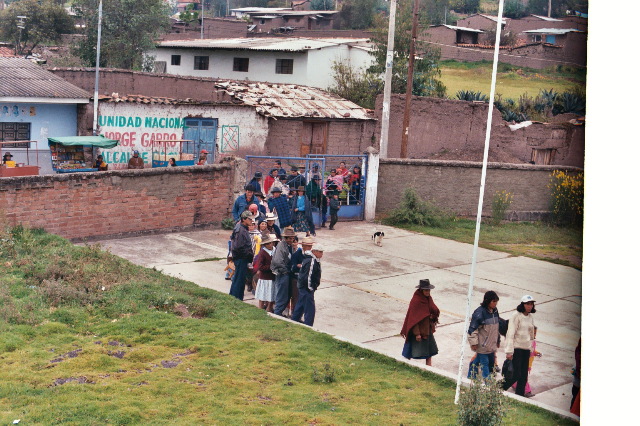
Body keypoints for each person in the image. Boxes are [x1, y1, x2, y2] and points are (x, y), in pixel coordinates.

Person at [502, 295, 537, 397]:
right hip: (517, 349)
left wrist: (531, 348)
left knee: (523, 376)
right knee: (515, 374)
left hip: (526, 350)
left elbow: (531, 335)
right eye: (527, 304)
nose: (529, 306)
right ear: (522, 304)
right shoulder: (516, 316)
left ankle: (519, 396)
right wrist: (509, 351)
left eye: (531, 304)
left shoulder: (530, 318)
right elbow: (510, 334)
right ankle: (497, 388)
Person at [401, 279, 440, 366]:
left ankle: (429, 367)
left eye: (429, 290)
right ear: (421, 290)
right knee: (409, 350)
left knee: (429, 351)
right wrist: (417, 333)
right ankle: (404, 364)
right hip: (417, 330)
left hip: (427, 329)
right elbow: (413, 319)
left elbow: (434, 310)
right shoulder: (416, 300)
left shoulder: (428, 298)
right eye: (426, 290)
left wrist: (432, 317)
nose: (428, 292)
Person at [467, 291, 501, 379]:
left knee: (479, 361)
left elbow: (496, 328)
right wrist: (474, 343)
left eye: (496, 301)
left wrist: (498, 340)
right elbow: (472, 329)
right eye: (493, 301)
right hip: (482, 345)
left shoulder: (495, 312)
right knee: (485, 366)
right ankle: (488, 385)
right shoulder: (480, 313)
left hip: (491, 346)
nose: (495, 303)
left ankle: (471, 376)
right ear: (487, 301)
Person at [291, 243, 324, 326]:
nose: (322, 254)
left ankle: (294, 320)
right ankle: (308, 325)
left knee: (300, 306)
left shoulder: (311, 259)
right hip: (306, 288)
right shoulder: (312, 261)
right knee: (310, 309)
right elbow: (308, 276)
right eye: (320, 252)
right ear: (315, 252)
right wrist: (310, 288)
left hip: (303, 287)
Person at [229, 210, 255, 300]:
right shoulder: (241, 230)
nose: (251, 221)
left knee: (238, 279)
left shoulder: (242, 228)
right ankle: (236, 299)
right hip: (241, 259)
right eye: (249, 219)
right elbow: (238, 247)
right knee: (239, 280)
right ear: (244, 219)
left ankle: (234, 297)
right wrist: (248, 256)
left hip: (241, 258)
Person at [270, 226, 296, 317]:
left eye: (292, 238)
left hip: (287, 273)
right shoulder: (281, 245)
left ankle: (279, 312)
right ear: (285, 238)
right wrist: (285, 270)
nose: (291, 240)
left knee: (287, 295)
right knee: (282, 295)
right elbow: (277, 261)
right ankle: (277, 313)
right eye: (289, 238)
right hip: (282, 273)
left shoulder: (290, 246)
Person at [254, 234, 278, 312]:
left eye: (271, 242)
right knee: (263, 295)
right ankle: (260, 309)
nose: (270, 244)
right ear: (264, 244)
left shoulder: (275, 250)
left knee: (271, 295)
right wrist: (271, 266)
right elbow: (260, 266)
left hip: (273, 277)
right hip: (265, 278)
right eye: (268, 243)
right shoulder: (262, 253)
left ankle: (269, 308)